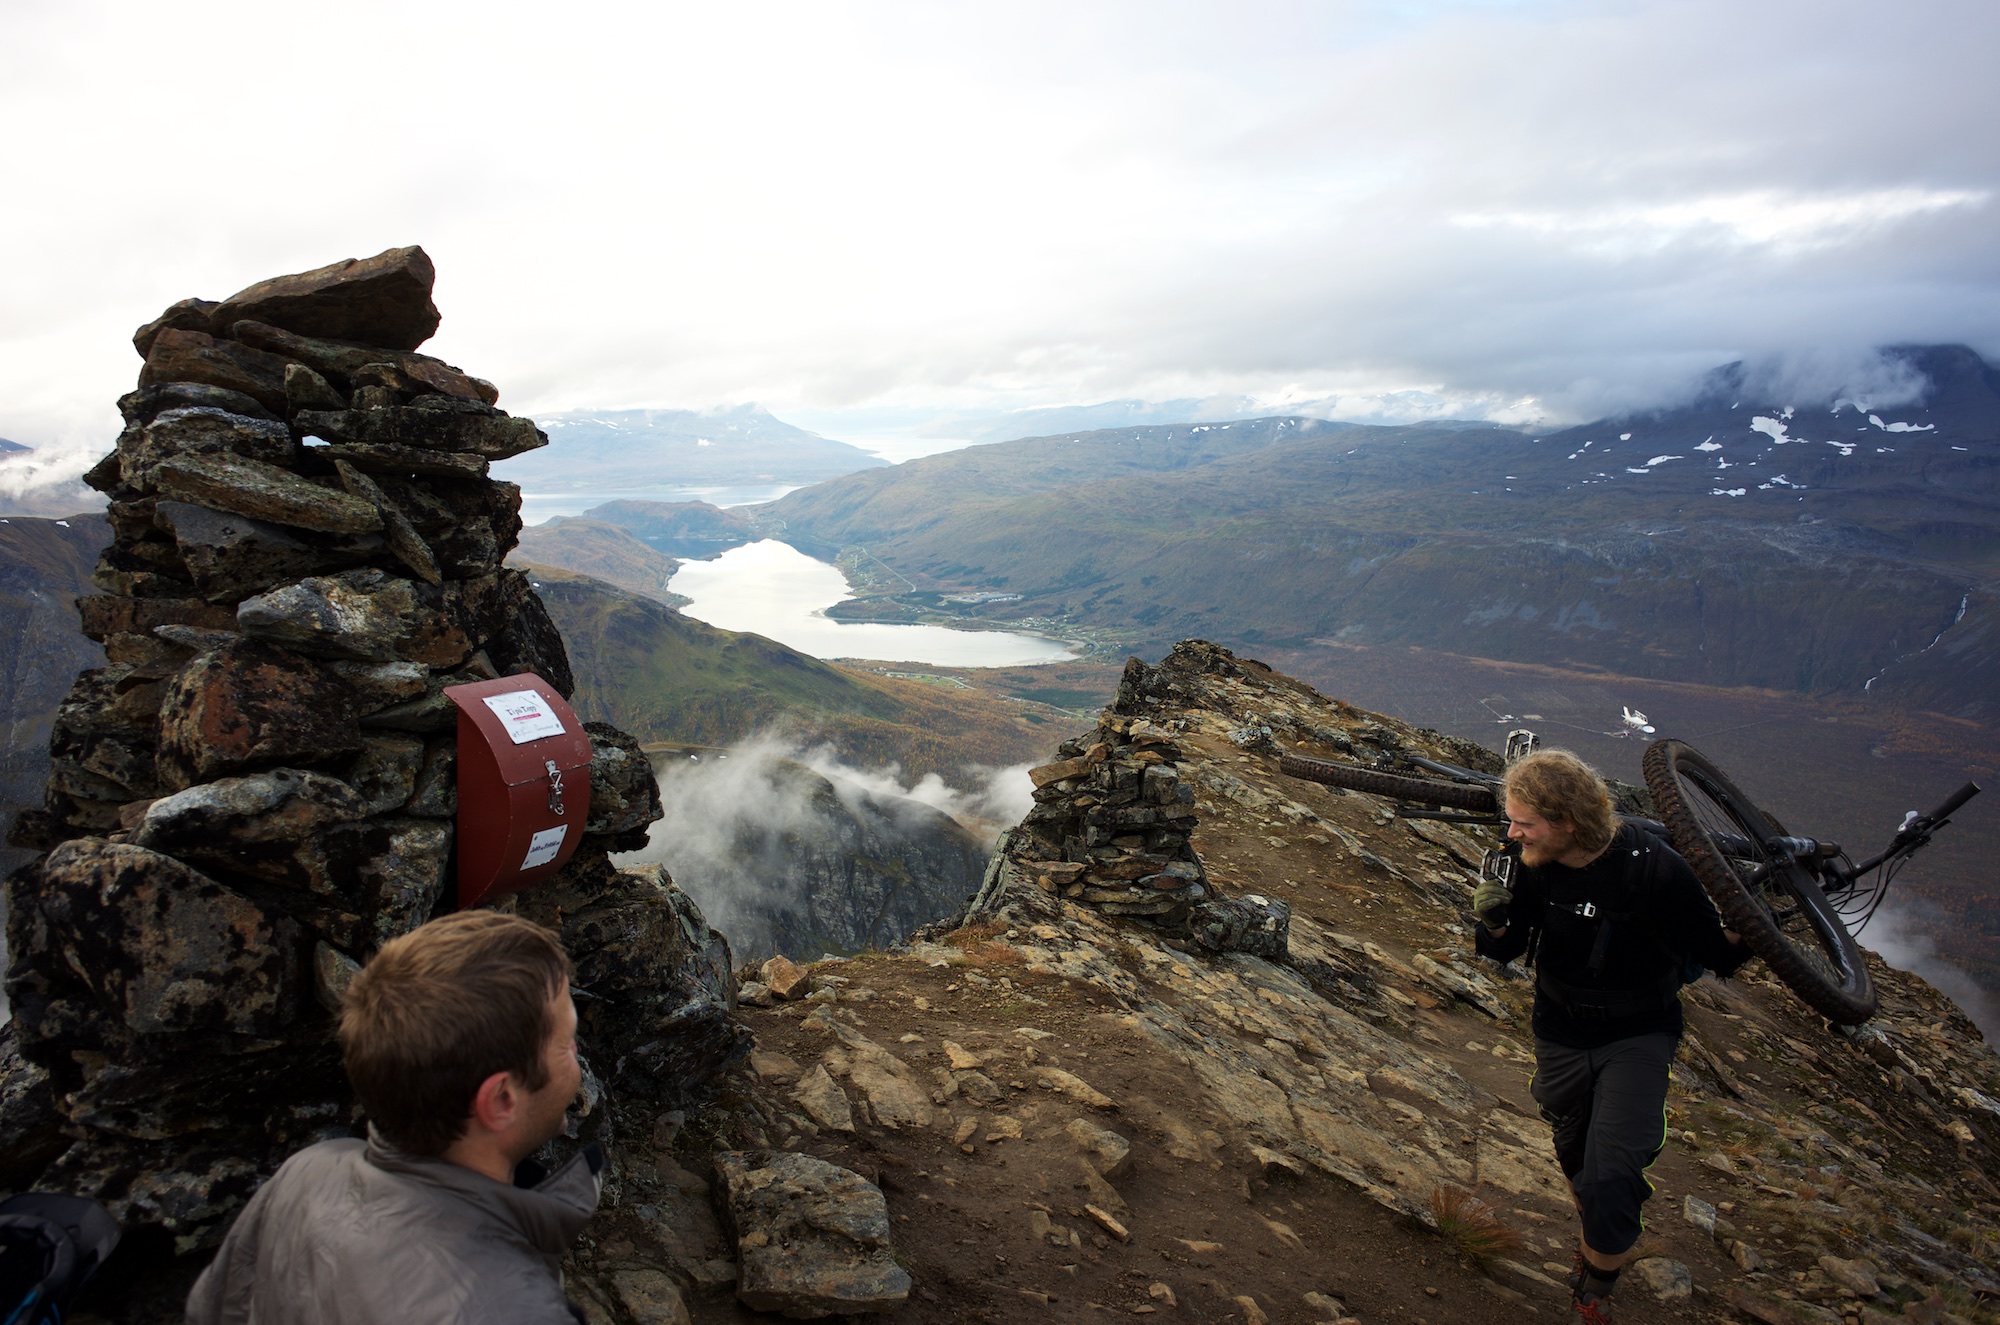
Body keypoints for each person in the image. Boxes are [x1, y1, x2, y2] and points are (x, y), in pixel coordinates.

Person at [187, 911, 598, 1325]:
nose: (577, 1056)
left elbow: (214, 1309)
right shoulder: (509, 1310)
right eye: (565, 1044)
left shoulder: (307, 1173)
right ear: (501, 1100)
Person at [1472, 750, 1748, 1324]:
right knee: (1573, 1145)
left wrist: (1753, 921)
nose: (1512, 831)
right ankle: (1601, 1225)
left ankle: (1594, 1291)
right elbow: (1505, 948)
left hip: (1640, 1033)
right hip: (1559, 1026)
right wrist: (1493, 920)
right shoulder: (1530, 862)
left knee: (1610, 1173)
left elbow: (1720, 955)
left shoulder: (1656, 869)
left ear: (1568, 821)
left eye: (1525, 821)